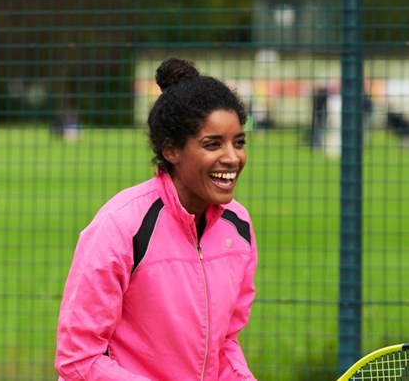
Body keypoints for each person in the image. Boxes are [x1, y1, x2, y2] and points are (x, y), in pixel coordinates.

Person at [55, 58, 258, 380]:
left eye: (239, 142)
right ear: (171, 150)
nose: (232, 157)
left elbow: (224, 344)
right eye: (212, 144)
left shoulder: (239, 226)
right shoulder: (120, 227)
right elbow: (78, 360)